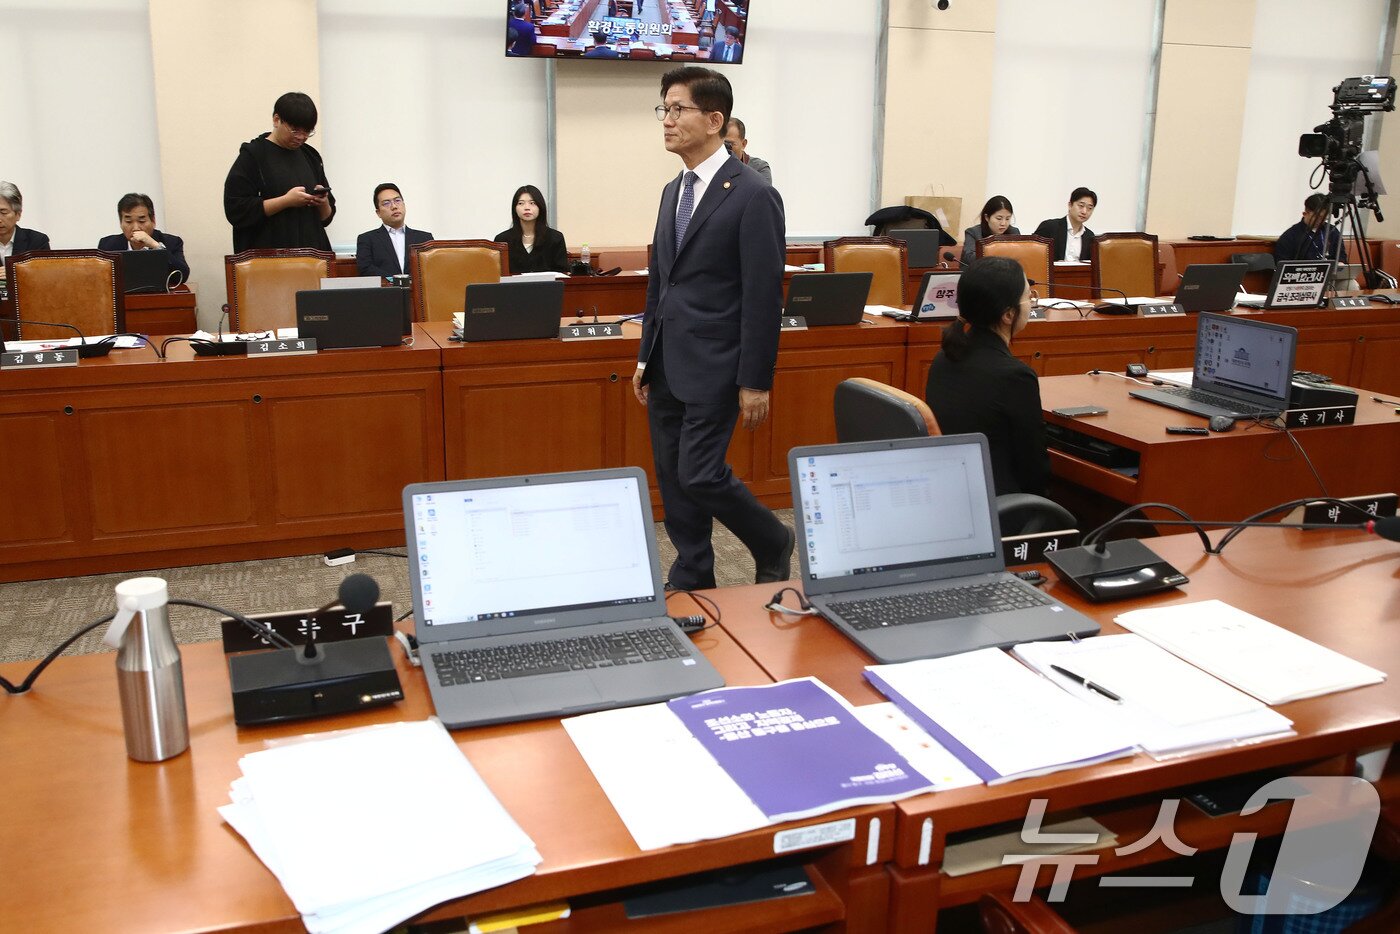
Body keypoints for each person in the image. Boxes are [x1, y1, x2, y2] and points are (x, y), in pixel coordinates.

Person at [632, 66, 793, 591]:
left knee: (700, 472)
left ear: (714, 119)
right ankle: (694, 572)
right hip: (666, 361)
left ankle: (771, 538)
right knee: (674, 479)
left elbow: (764, 294)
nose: (667, 121)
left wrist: (756, 380)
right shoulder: (669, 191)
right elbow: (662, 281)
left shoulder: (752, 194)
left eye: (678, 110)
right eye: (665, 109)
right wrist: (643, 355)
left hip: (718, 365)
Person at [925, 256, 1050, 497]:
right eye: (1028, 296)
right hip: (1000, 504)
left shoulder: (945, 356)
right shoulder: (1015, 376)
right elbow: (1035, 470)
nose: (1032, 302)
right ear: (1008, 315)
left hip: (955, 491)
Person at [223, 92, 336, 253]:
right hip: (268, 258)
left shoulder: (310, 156)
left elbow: (326, 218)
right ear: (277, 120)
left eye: (307, 132)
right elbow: (237, 210)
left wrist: (322, 202)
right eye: (295, 130)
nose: (301, 137)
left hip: (311, 255)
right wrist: (286, 201)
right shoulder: (254, 155)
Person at [96, 193, 190, 283]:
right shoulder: (107, 245)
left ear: (153, 221)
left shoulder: (172, 242)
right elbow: (100, 280)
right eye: (128, 221)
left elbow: (182, 276)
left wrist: (156, 247)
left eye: (142, 221)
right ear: (121, 223)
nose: (136, 228)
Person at [356, 184, 433, 278]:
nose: (394, 206)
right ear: (378, 212)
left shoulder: (425, 238)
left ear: (404, 205)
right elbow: (365, 269)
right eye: (386, 203)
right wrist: (395, 281)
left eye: (397, 201)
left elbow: (431, 268)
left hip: (418, 290)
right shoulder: (367, 239)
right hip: (385, 291)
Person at [494, 185, 569, 274]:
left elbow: (562, 273)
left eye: (532, 203)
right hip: (513, 288)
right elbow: (497, 274)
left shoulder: (555, 238)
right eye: (521, 203)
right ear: (515, 209)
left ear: (540, 207)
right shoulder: (502, 240)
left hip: (546, 287)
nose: (527, 207)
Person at [1275, 193, 1348, 263]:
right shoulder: (1289, 236)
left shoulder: (1332, 232)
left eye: (1324, 218)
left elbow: (1341, 257)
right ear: (1305, 214)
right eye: (1318, 217)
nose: (1321, 221)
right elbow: (1282, 264)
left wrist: (1340, 263)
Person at [0, 181, 51, 279]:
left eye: (4, 212)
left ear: (18, 214)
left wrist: (16, 273)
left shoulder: (37, 241)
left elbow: (46, 275)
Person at [1033, 187, 1097, 262]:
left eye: (1089, 208)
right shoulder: (1050, 227)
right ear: (1070, 205)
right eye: (1081, 206)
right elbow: (1032, 254)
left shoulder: (1089, 236)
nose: (1084, 211)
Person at [959, 195, 1020, 266]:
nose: (1003, 223)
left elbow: (1020, 256)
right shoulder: (973, 233)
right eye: (999, 218)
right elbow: (969, 258)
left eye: (1007, 219)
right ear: (987, 217)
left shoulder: (1014, 232)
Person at [722, 117, 770, 185]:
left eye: (729, 144)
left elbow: (763, 194)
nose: (724, 148)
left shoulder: (759, 168)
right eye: (720, 144)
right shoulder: (711, 166)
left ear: (743, 144)